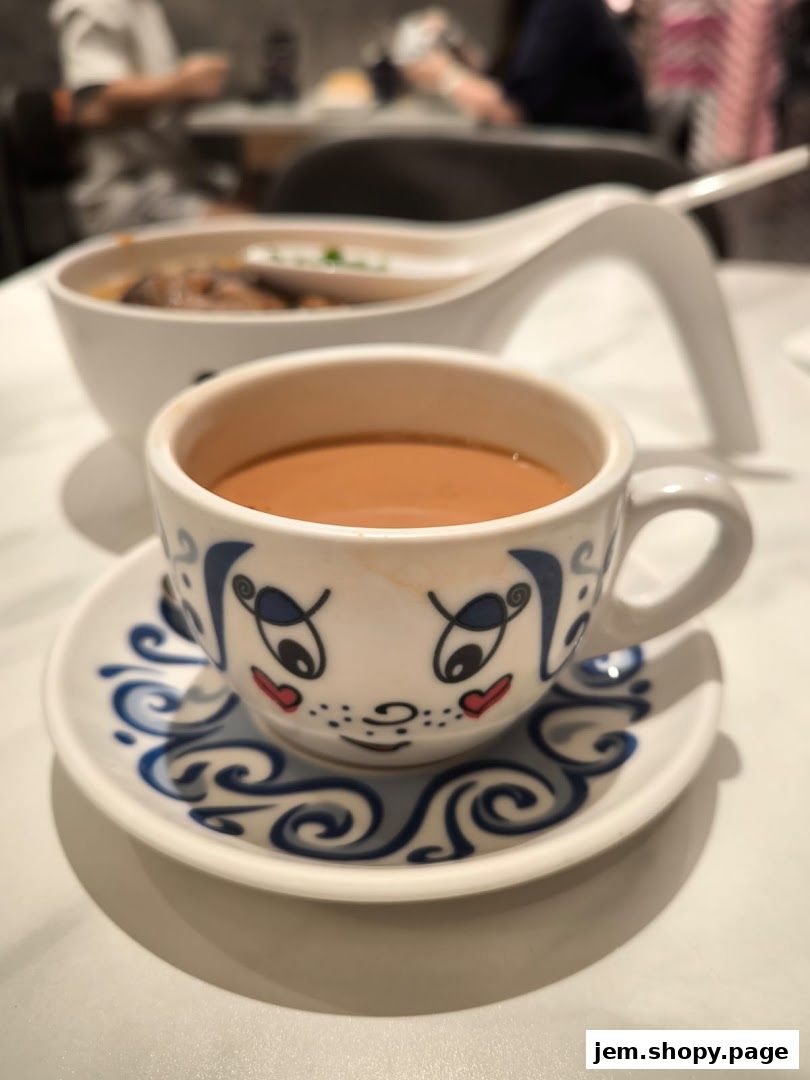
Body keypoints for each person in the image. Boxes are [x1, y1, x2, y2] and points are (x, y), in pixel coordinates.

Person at [50, 0, 242, 235]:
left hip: (168, 181)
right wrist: (182, 84)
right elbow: (94, 103)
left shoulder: (143, 6)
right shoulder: (95, 5)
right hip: (127, 192)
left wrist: (182, 94)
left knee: (251, 205)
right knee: (249, 233)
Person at [393, 1, 649, 134]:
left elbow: (511, 113)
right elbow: (512, 82)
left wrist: (443, 75)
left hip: (599, 171)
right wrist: (458, 46)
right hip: (572, 161)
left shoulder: (564, 7)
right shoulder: (537, 8)